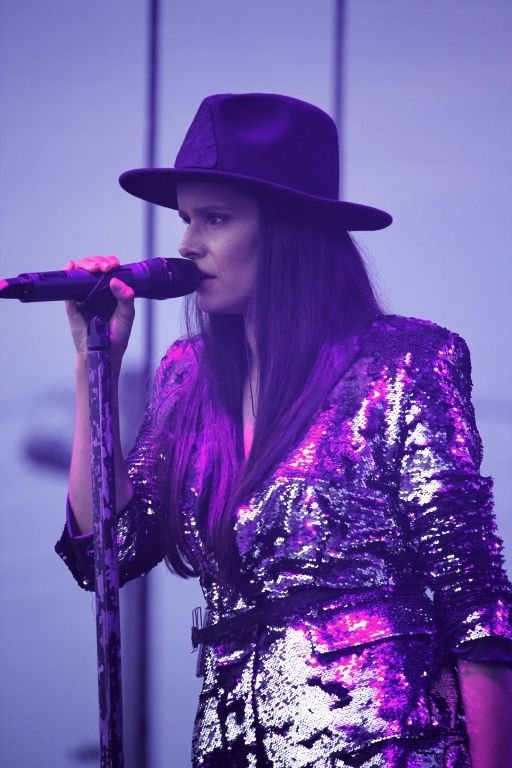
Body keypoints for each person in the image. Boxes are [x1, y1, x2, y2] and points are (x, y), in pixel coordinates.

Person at [56, 93, 512, 768]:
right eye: (185, 219)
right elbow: (108, 551)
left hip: (383, 743)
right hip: (230, 746)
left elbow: (475, 605)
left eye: (215, 218)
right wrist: (94, 366)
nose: (186, 244)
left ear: (287, 231)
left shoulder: (406, 364)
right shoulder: (189, 376)